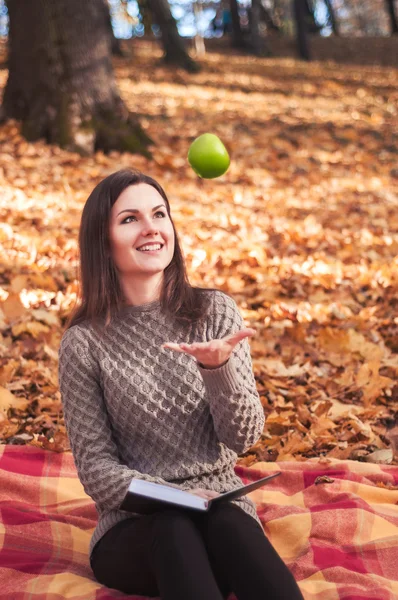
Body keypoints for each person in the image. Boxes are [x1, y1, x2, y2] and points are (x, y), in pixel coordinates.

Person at [58, 169, 304, 600]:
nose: (152, 228)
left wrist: (218, 370)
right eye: (130, 219)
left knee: (227, 522)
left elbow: (243, 438)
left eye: (159, 214)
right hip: (134, 530)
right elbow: (97, 472)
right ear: (103, 241)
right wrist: (181, 497)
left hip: (221, 510)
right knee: (175, 527)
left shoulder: (215, 312)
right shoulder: (84, 342)